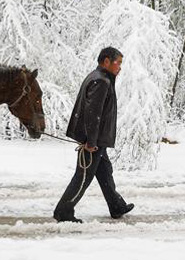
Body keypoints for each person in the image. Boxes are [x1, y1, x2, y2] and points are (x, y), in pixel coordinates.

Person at [53, 47, 134, 223]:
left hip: (98, 139)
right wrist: (91, 141)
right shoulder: (101, 81)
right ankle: (63, 211)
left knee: (105, 172)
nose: (120, 67)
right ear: (106, 61)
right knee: (83, 177)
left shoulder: (98, 77)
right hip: (94, 140)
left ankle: (116, 205)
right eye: (117, 63)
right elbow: (93, 113)